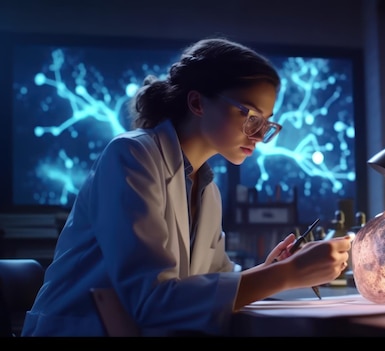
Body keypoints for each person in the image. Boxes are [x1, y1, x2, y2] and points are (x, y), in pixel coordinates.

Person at [21, 37, 351, 337]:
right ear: (197, 103)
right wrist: (285, 275)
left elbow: (209, 281)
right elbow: (150, 302)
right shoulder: (131, 156)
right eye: (250, 115)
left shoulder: (206, 187)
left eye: (266, 124)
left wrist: (269, 269)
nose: (259, 135)